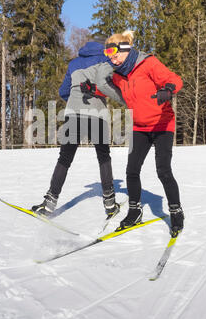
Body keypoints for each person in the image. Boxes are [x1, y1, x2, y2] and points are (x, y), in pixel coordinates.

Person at [96, 30, 184, 237]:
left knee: (163, 170)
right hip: (139, 127)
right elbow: (108, 89)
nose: (111, 57)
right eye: (108, 53)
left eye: (114, 52)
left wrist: (168, 89)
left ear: (126, 49)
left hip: (162, 124)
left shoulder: (148, 63)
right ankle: (135, 211)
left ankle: (176, 211)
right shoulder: (119, 75)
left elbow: (174, 79)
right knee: (132, 170)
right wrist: (93, 89)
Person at [32, 40, 125, 220]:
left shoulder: (73, 63)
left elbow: (63, 91)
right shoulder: (106, 60)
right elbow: (111, 86)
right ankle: (110, 203)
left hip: (73, 113)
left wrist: (75, 99)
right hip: (97, 114)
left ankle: (49, 203)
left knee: (65, 158)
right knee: (103, 157)